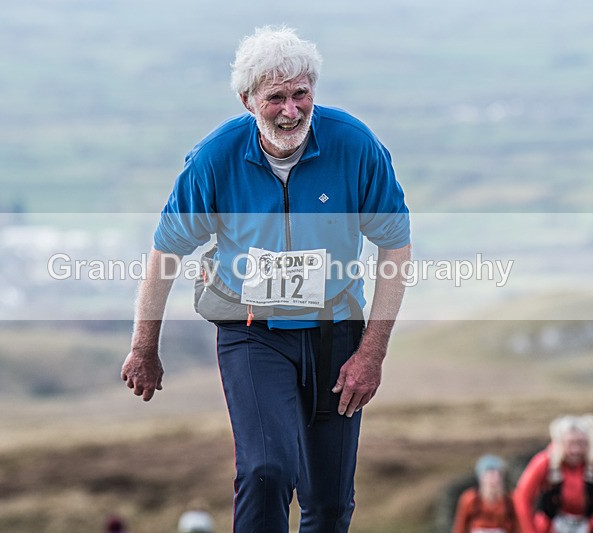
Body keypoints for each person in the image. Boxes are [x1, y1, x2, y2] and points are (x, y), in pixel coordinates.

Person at [121, 25, 411, 533]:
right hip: (251, 331)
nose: (291, 110)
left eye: (302, 94)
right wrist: (144, 347)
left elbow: (396, 246)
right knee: (266, 472)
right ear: (247, 99)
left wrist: (372, 352)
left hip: (335, 334)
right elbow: (166, 252)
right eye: (276, 97)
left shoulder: (356, 146)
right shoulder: (215, 159)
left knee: (329, 501)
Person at [513, 414, 593, 533]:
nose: (576, 450)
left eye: (581, 443)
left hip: (586, 526)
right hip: (548, 528)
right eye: (571, 443)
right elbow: (522, 498)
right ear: (560, 442)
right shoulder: (544, 463)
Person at [452, 454, 519, 533]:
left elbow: (519, 527)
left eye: (496, 475)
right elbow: (460, 528)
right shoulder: (470, 499)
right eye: (488, 476)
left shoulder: (511, 500)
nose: (492, 480)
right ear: (481, 479)